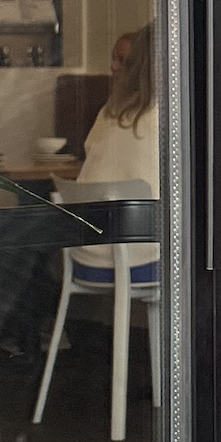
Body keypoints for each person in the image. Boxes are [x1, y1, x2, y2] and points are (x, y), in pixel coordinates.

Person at [76, 20, 159, 285]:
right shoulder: (167, 118)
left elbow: (89, 150)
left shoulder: (112, 111)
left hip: (84, 258)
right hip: (138, 262)